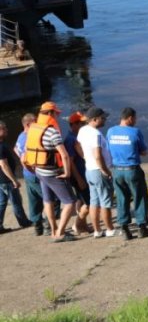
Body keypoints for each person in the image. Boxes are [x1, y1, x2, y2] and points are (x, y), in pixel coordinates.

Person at [25, 102, 75, 241]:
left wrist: (32, 168)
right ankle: (60, 233)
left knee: (48, 201)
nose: (58, 116)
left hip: (39, 170)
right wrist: (67, 172)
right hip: (53, 172)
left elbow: (26, 153)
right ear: (50, 113)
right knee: (70, 202)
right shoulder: (52, 131)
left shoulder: (33, 128)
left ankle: (53, 230)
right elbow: (64, 155)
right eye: (56, 113)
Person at [107, 107, 148, 240]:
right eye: (135, 118)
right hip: (132, 170)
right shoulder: (135, 132)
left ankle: (125, 229)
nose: (136, 121)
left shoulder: (110, 131)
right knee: (139, 197)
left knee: (122, 199)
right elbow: (144, 152)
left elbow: (109, 149)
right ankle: (142, 228)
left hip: (116, 170)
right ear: (130, 118)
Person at [78, 107, 116, 238]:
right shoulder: (96, 134)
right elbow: (98, 155)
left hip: (89, 170)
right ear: (94, 119)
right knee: (106, 202)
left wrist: (85, 157)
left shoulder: (82, 130)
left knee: (94, 202)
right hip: (98, 171)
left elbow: (78, 146)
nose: (105, 119)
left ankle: (97, 230)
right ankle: (110, 229)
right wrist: (105, 171)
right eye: (102, 117)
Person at [14, 113, 54, 236]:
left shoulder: (21, 136)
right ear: (28, 124)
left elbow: (15, 149)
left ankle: (37, 226)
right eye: (35, 122)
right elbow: (24, 157)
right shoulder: (29, 138)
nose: (38, 124)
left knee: (34, 200)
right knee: (48, 199)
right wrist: (32, 169)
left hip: (27, 174)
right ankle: (48, 226)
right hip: (34, 173)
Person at [0, 121, 32, 234]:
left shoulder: (2, 144)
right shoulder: (0, 146)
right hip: (6, 179)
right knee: (16, 201)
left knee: (2, 202)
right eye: (4, 128)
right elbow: (3, 164)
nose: (7, 130)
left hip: (1, 180)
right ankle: (24, 222)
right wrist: (13, 179)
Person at [64, 111, 91, 235]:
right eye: (82, 123)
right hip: (79, 175)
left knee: (81, 201)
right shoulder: (70, 140)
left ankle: (82, 225)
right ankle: (77, 225)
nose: (85, 125)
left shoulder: (78, 136)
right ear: (73, 125)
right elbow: (71, 162)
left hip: (83, 174)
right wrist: (79, 179)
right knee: (89, 202)